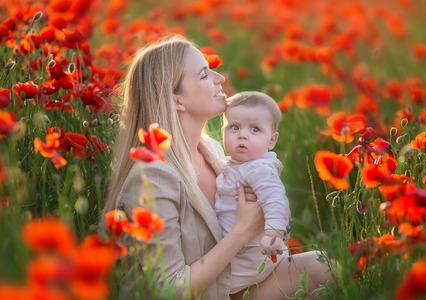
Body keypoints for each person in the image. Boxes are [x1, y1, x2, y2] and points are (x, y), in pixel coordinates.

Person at [102, 34, 333, 300]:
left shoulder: (209, 150)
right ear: (177, 100)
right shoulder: (153, 176)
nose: (220, 78)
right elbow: (169, 289)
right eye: (204, 74)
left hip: (222, 289)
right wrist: (242, 231)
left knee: (322, 267)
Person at [215, 91, 291, 294]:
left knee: (221, 285)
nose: (242, 134)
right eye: (234, 127)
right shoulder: (236, 164)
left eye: (255, 129)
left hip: (252, 253)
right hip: (240, 248)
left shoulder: (259, 169)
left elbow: (276, 200)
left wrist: (273, 234)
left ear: (271, 141)